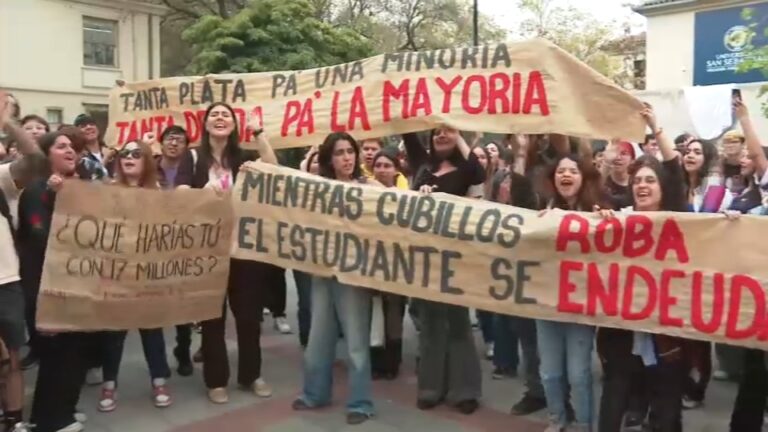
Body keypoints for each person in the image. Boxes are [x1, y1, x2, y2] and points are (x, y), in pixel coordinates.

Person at [176, 102, 277, 404]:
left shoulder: (242, 157)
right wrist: (202, 192)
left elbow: (272, 167)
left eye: (226, 115)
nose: (220, 119)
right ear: (205, 124)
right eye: (214, 115)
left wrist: (258, 132)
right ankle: (216, 380)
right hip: (207, 249)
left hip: (243, 250)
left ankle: (250, 375)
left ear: (234, 125)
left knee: (248, 317)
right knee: (212, 317)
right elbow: (178, 192)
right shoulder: (192, 157)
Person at [597, 104, 689, 432]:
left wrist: (654, 124)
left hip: (666, 337)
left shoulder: (677, 217)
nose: (642, 185)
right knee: (612, 407)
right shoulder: (618, 218)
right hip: (622, 333)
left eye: (650, 180)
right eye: (637, 181)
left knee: (666, 414)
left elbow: (675, 170)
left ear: (663, 188)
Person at [291, 132, 378, 425]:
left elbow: (401, 203)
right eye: (340, 152)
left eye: (350, 151)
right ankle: (315, 393)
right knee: (318, 337)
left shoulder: (369, 186)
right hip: (322, 271)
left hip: (354, 275)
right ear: (330, 158)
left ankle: (361, 402)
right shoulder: (319, 188)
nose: (347, 157)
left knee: (355, 342)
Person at [403, 126, 484, 415]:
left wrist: (461, 137)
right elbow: (406, 127)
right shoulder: (423, 167)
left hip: (457, 258)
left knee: (459, 324)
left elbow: (478, 172)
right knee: (431, 322)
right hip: (426, 258)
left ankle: (464, 391)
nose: (442, 135)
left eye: (448, 131)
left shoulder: (467, 171)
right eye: (437, 131)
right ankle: (430, 388)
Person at [96, 141, 173, 412]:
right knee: (114, 333)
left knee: (151, 330)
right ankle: (109, 384)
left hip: (147, 275)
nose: (129, 158)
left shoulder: (158, 193)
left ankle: (159, 379)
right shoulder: (106, 190)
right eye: (124, 154)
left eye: (136, 154)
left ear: (147, 162)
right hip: (116, 274)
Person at [21, 132, 88, 432]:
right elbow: (40, 237)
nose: (70, 150)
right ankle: (52, 421)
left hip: (76, 287)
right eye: (61, 147)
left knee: (73, 354)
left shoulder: (80, 189)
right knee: (56, 357)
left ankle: (64, 410)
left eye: (72, 147)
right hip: (47, 289)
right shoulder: (36, 192)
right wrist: (53, 196)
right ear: (47, 156)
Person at [537, 154, 604, 432]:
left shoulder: (599, 209)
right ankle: (556, 419)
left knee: (578, 374)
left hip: (580, 306)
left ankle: (583, 424)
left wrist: (607, 221)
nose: (566, 175)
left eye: (572, 171)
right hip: (546, 304)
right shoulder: (542, 210)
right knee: (550, 373)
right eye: (561, 170)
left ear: (583, 177)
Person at [149, 126, 196, 377]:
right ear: (162, 142)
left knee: (183, 301)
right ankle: (158, 362)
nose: (174, 143)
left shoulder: (193, 171)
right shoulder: (150, 165)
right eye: (170, 138)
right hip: (153, 243)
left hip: (184, 243)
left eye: (180, 140)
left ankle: (184, 349)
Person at [489, 150, 538, 384]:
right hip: (501, 268)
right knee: (501, 321)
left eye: (511, 182)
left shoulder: (528, 205)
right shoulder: (490, 211)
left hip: (527, 272)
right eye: (504, 182)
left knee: (526, 328)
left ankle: (533, 378)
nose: (507, 185)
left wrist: (521, 151)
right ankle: (505, 362)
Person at [369, 148, 408, 380]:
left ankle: (392, 362)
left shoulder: (405, 196)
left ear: (396, 169)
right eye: (378, 166)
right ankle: (376, 361)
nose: (382, 170)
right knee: (374, 312)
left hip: (396, 263)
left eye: (387, 166)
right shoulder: (363, 192)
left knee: (393, 313)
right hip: (372, 261)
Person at [470, 144, 496, 359]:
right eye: (474, 156)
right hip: (475, 250)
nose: (479, 160)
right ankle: (489, 338)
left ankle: (497, 340)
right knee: (482, 300)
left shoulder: (500, 182)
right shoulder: (467, 182)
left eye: (482, 157)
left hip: (497, 250)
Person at [73, 114, 109, 180]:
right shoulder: (79, 157)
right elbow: (95, 179)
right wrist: (105, 159)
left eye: (92, 124)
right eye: (83, 126)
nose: (89, 127)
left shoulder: (111, 152)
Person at [604, 140, 635, 209]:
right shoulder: (603, 181)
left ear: (632, 160)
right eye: (615, 153)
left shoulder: (637, 183)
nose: (618, 158)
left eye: (623, 153)